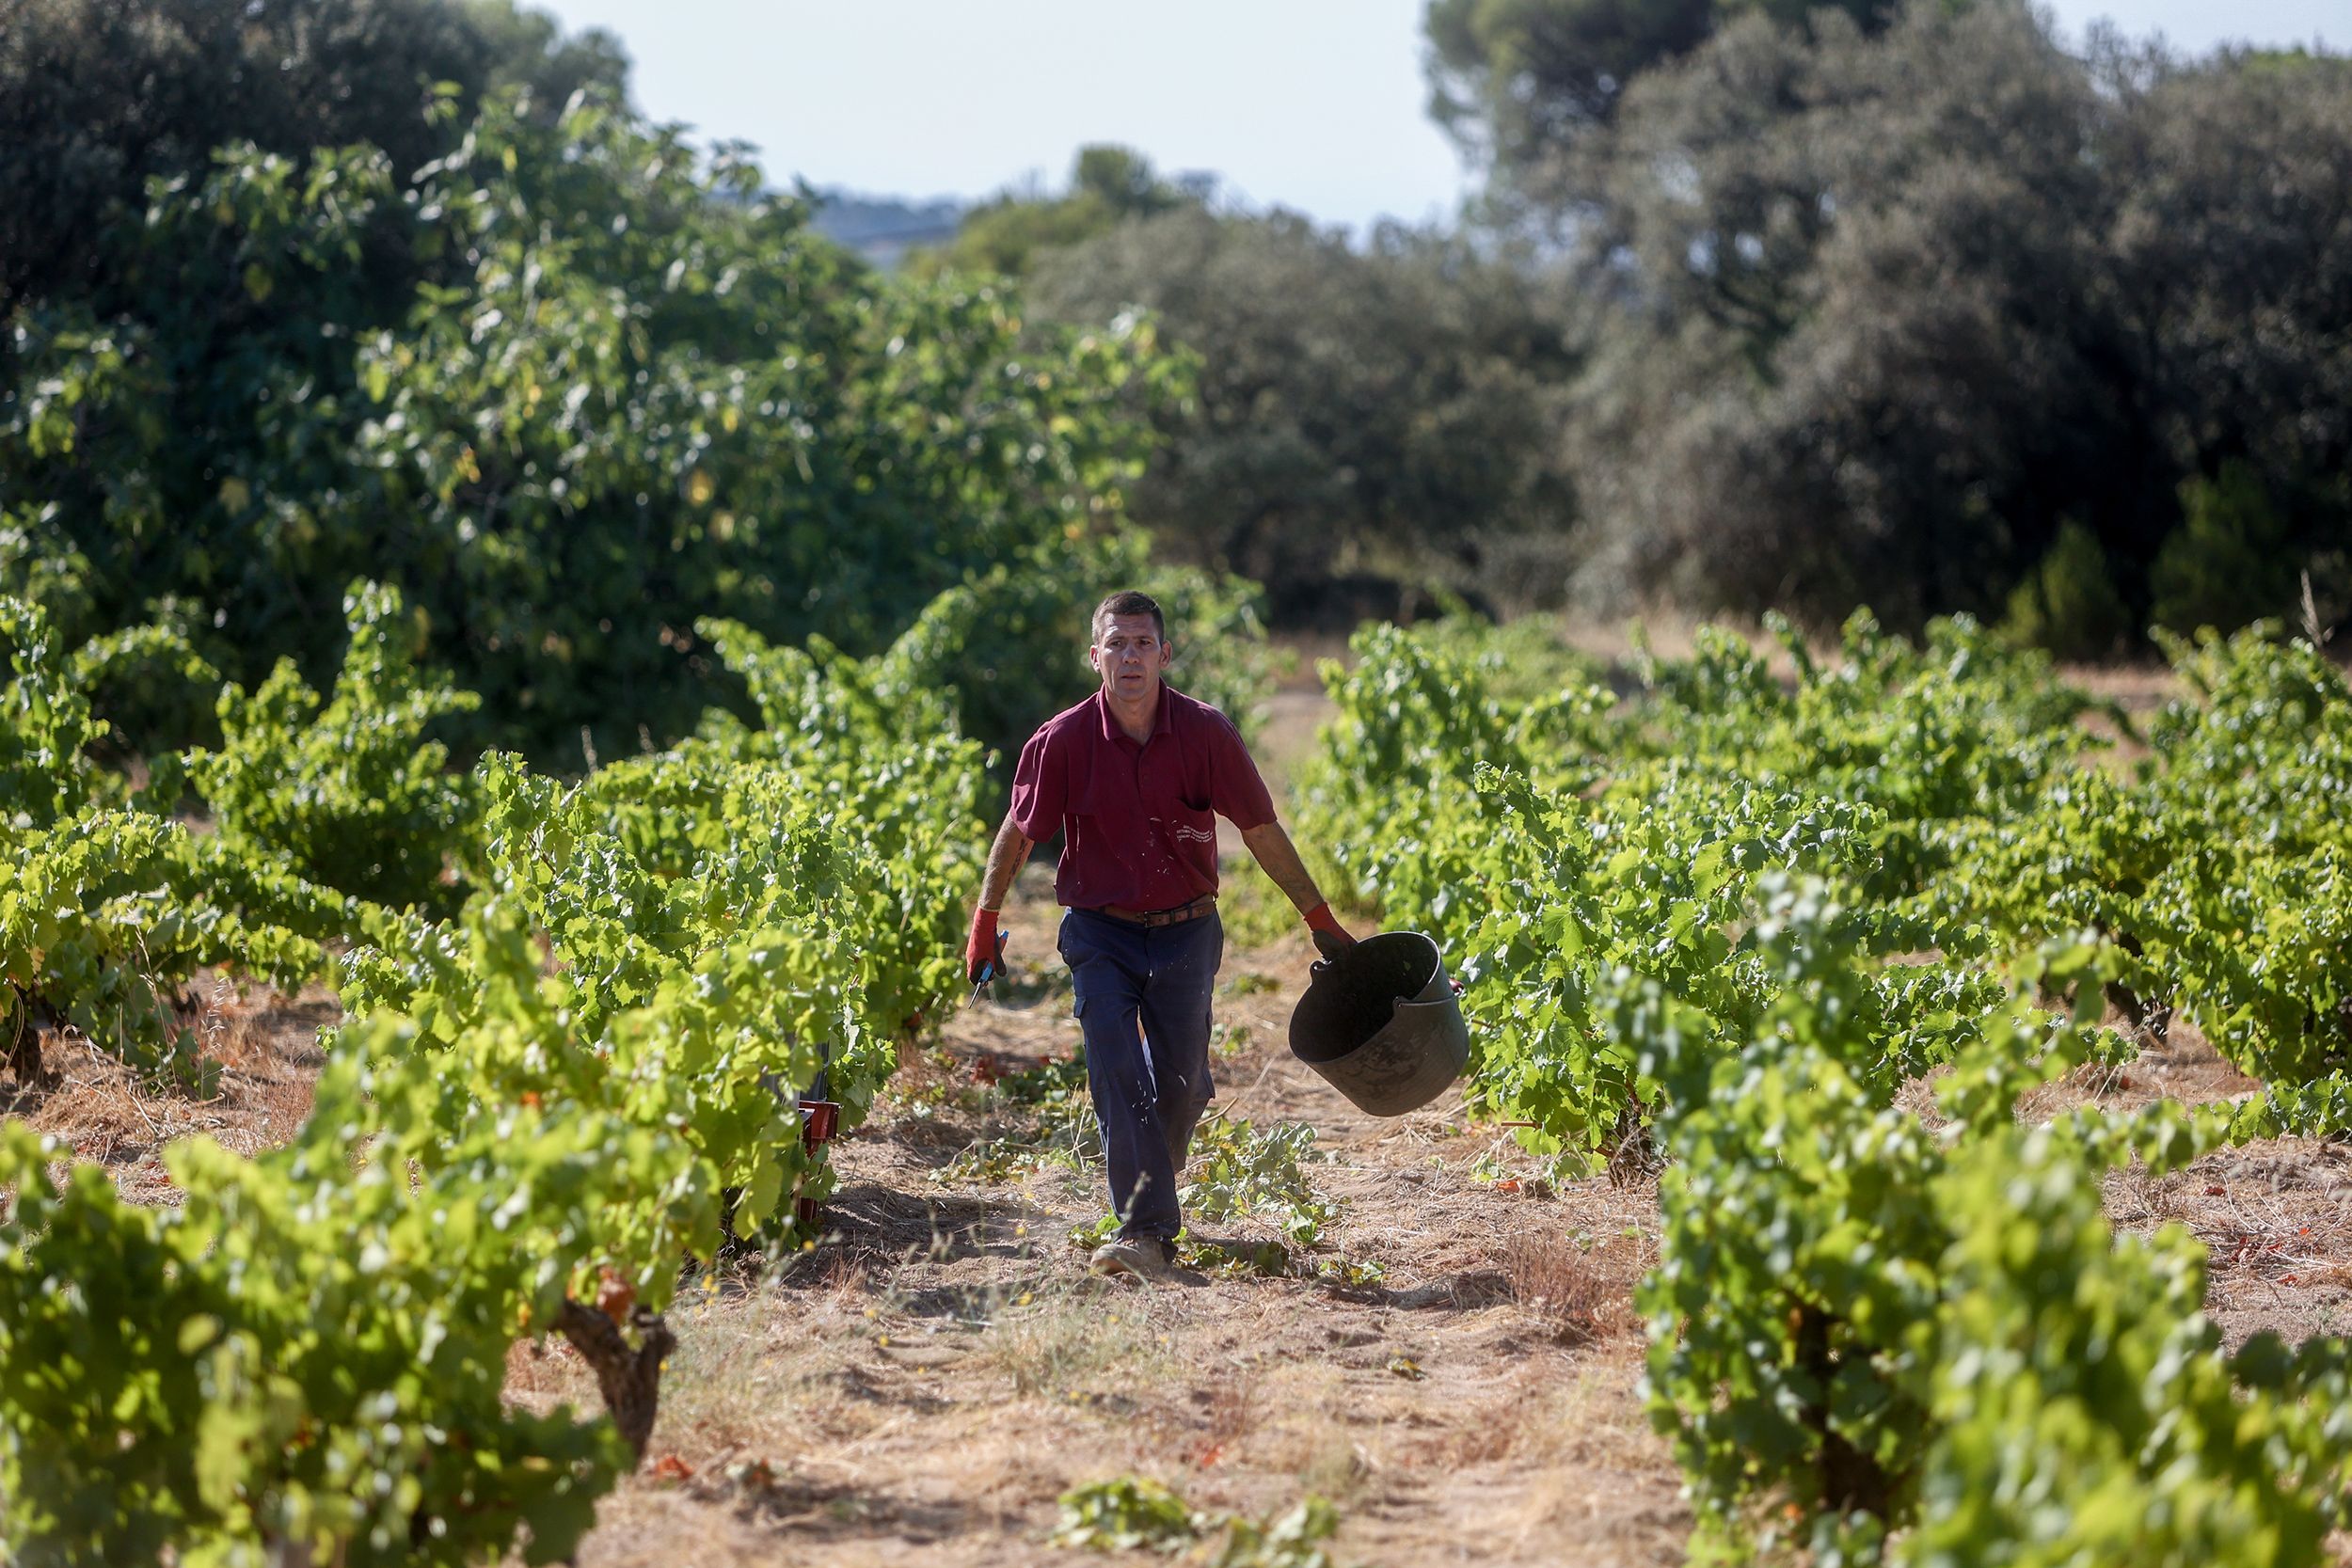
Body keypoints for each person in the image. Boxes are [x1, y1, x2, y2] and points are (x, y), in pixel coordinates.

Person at [965, 589, 1358, 1281]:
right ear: (1095, 657)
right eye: (1115, 643)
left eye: (1143, 643)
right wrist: (986, 917)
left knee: (1180, 1086)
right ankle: (1145, 1231)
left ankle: (1154, 1161)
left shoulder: (1206, 734)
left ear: (1165, 654)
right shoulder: (1062, 741)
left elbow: (1261, 830)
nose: (1130, 657)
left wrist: (1318, 918)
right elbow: (1020, 830)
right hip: (1099, 933)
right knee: (1115, 1063)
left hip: (1186, 933)